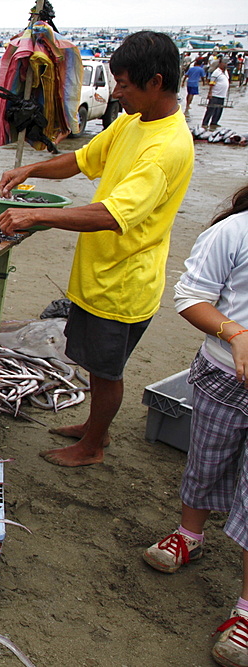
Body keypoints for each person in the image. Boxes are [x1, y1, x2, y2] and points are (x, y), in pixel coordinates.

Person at [0, 30, 194, 467]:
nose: (116, 92)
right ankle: (92, 427)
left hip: (124, 281)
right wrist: (32, 167)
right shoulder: (130, 122)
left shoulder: (167, 147)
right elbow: (82, 160)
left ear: (156, 82)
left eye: (123, 84)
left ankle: (93, 446)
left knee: (107, 372)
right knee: (91, 363)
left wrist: (35, 216)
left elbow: (112, 214)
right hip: (97, 273)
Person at [142, 183, 248, 667]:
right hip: (223, 374)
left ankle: (245, 609)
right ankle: (191, 535)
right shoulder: (234, 232)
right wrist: (234, 332)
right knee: (206, 459)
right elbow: (192, 297)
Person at [203, 59, 230, 130]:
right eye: (224, 63)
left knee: (219, 110)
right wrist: (210, 93)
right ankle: (205, 123)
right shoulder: (216, 72)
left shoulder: (225, 72)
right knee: (210, 109)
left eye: (226, 63)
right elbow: (212, 83)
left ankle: (214, 122)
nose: (225, 65)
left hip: (222, 95)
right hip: (215, 94)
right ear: (220, 64)